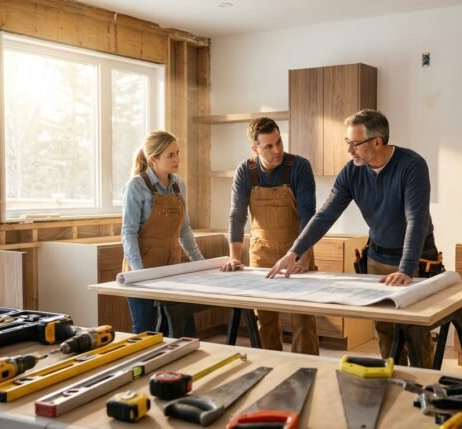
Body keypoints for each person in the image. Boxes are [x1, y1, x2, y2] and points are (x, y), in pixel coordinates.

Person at [266, 109, 440, 367]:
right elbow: (325, 215)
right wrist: (295, 252)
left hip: (416, 260)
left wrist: (405, 269)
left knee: (416, 333)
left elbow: (417, 221)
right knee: (385, 330)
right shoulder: (352, 172)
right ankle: (394, 383)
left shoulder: (412, 165)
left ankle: (424, 385)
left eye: (355, 144)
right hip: (377, 258)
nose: (350, 150)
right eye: (348, 143)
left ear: (377, 142)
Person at [219, 117, 320, 355]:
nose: (277, 150)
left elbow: (308, 215)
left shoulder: (299, 167)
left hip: (296, 250)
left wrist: (303, 257)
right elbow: (236, 215)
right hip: (261, 253)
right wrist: (234, 257)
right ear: (255, 149)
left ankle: (307, 369)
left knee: (303, 319)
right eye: (268, 146)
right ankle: (271, 368)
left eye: (279, 142)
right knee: (265, 320)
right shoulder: (246, 171)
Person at [121, 130, 204, 336]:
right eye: (170, 155)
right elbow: (128, 232)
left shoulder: (178, 184)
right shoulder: (137, 186)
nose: (177, 159)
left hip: (171, 271)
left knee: (180, 332)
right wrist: (141, 274)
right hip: (142, 271)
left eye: (177, 153)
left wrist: (201, 263)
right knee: (146, 334)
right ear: (153, 159)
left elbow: (184, 230)